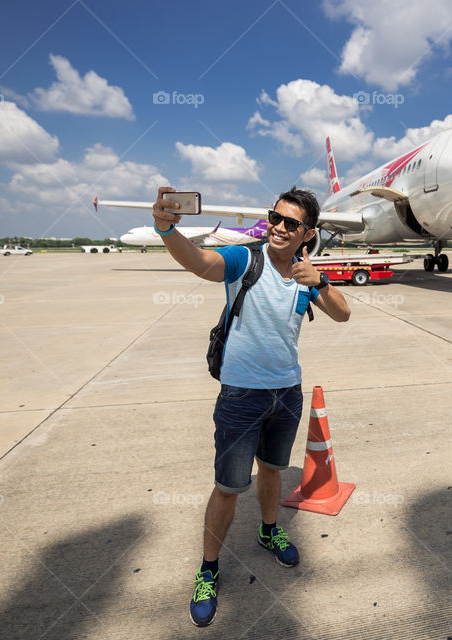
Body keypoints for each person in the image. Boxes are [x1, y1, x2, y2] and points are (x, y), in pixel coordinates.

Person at [150, 185, 351, 628]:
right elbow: (201, 263)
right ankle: (208, 569)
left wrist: (321, 280)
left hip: (288, 394)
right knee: (228, 487)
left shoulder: (303, 275)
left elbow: (342, 314)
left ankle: (268, 530)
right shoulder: (247, 259)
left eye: (290, 224)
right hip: (241, 396)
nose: (278, 228)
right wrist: (166, 229)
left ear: (307, 233)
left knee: (273, 471)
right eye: (274, 218)